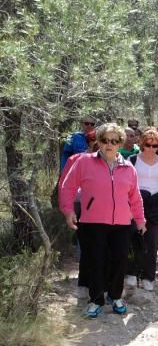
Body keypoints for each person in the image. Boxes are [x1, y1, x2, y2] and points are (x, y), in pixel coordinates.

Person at [59, 122, 145, 318]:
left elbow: (135, 197)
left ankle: (115, 297)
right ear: (98, 141)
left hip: (122, 223)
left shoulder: (128, 167)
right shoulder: (84, 162)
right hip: (92, 222)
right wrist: (68, 210)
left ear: (120, 143)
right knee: (95, 261)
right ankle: (96, 299)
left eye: (115, 141)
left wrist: (140, 220)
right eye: (105, 140)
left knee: (120, 260)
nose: (109, 144)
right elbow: (67, 187)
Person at [57, 127, 98, 299]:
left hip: (101, 208)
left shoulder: (111, 160)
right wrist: (68, 209)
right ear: (89, 143)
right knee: (86, 247)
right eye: (98, 142)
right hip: (80, 206)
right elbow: (64, 185)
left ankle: (97, 285)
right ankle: (84, 285)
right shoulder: (76, 158)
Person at [126, 128, 158, 292]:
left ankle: (148, 277)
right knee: (134, 241)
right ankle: (131, 273)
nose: (151, 148)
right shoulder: (132, 159)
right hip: (135, 204)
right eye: (148, 145)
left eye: (155, 145)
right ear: (142, 144)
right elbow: (127, 183)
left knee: (152, 243)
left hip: (155, 205)